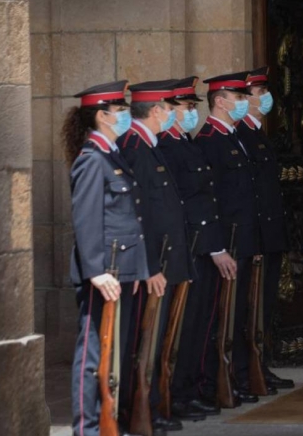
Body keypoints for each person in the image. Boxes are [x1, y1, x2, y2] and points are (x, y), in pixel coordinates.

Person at [65, 80, 150, 436]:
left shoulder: (111, 156)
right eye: (122, 110)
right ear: (102, 116)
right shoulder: (91, 160)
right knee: (93, 355)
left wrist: (136, 270)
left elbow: (129, 220)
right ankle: (87, 428)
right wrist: (97, 272)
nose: (127, 116)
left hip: (122, 269)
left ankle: (108, 420)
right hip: (105, 273)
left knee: (114, 350)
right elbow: (86, 220)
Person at [156, 76, 239, 417]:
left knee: (199, 322)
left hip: (203, 245)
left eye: (193, 106)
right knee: (182, 324)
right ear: (166, 110)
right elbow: (183, 203)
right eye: (186, 107)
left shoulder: (187, 143)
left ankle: (188, 388)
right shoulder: (164, 146)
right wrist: (213, 245)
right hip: (188, 246)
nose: (192, 112)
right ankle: (173, 393)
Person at [120, 80, 195, 432]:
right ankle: (137, 410)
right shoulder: (134, 147)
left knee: (157, 339)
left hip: (164, 260)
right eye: (168, 107)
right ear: (155, 111)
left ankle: (151, 406)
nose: (172, 113)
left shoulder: (151, 145)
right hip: (150, 264)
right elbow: (137, 215)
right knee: (141, 341)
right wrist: (148, 265)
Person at [195, 71, 273, 403]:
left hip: (244, 239)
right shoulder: (209, 140)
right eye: (240, 98)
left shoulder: (234, 137)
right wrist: (218, 244)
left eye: (246, 96)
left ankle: (237, 376)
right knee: (220, 316)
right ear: (221, 101)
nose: (246, 103)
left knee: (240, 313)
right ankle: (216, 380)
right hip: (227, 240)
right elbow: (209, 198)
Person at [234, 66, 295, 390]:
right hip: (254, 237)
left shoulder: (256, 134)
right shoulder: (240, 136)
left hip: (268, 235)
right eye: (259, 93)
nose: (265, 97)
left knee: (264, 307)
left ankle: (260, 365)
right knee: (248, 308)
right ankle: (245, 370)